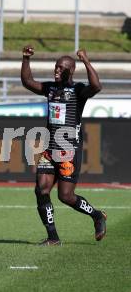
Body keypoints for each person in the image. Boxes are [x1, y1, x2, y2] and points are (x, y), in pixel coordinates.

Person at [21, 45, 107, 246]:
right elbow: (27, 82)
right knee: (41, 189)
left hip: (69, 151)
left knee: (66, 196)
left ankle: (96, 216)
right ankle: (53, 237)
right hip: (49, 150)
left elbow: (96, 87)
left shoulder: (77, 90)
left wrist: (85, 60)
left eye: (61, 68)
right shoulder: (50, 88)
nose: (56, 70)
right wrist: (26, 59)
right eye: (55, 67)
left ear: (71, 70)